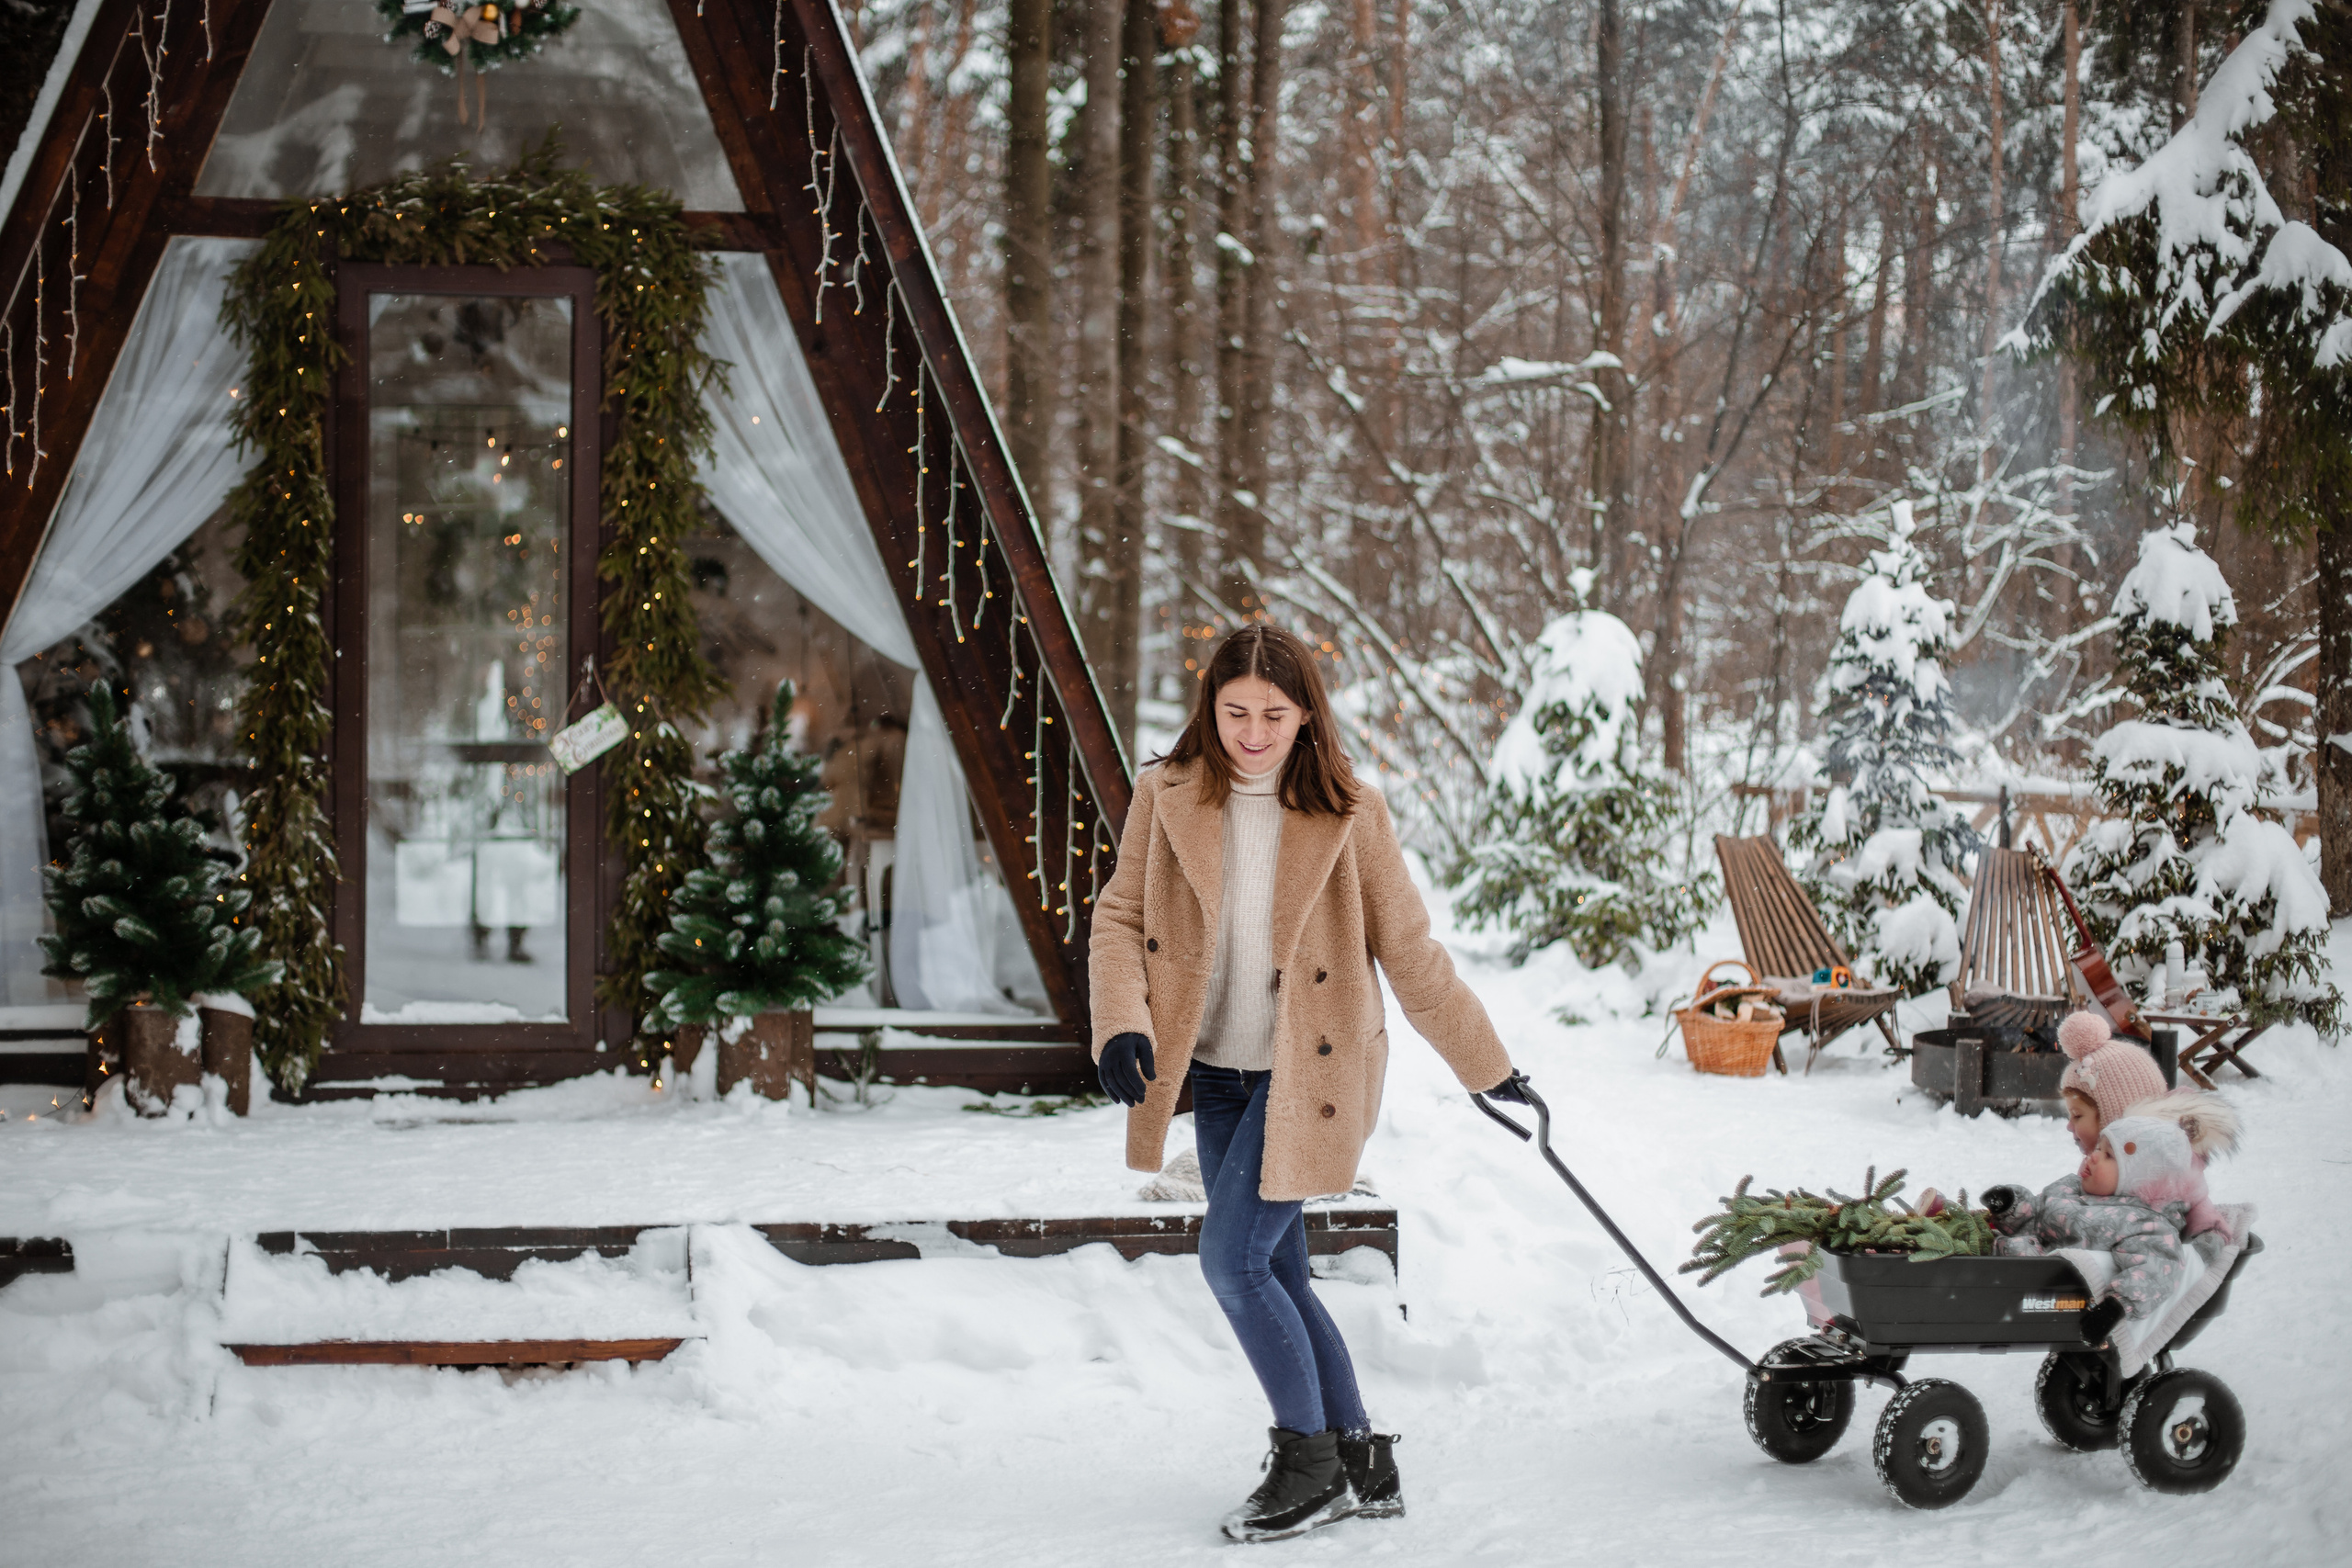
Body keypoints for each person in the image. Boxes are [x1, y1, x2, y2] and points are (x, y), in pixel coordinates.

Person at [1088, 623, 1525, 1543]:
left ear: (1304, 716)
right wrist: (1121, 1018)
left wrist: (1487, 1066)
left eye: (1273, 714)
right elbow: (1121, 916)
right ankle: (1358, 1455)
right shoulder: (1165, 796)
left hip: (1309, 1075)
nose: (1252, 731)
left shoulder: (1348, 812)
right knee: (1276, 1267)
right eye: (1235, 710)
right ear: (1210, 709)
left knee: (1232, 1260)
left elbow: (1409, 952)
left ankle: (1307, 1458)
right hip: (1213, 1074)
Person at [1982, 1116, 2197, 1345]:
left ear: (2139, 1179)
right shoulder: (2072, 1189)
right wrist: (2011, 1207)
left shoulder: (2144, 1222)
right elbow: (2036, 1216)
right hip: (2017, 1270)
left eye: (2108, 1156)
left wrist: (2115, 1307)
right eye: (2098, 1149)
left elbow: (2156, 1268)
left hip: (2049, 1290)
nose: (2093, 1157)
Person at [2054, 1010, 2242, 1239]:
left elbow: (2198, 1207)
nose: (2069, 1126)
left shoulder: (2169, 1168)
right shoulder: (2099, 1165)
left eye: (2077, 1116)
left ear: (2115, 1117)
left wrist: (2207, 1236)